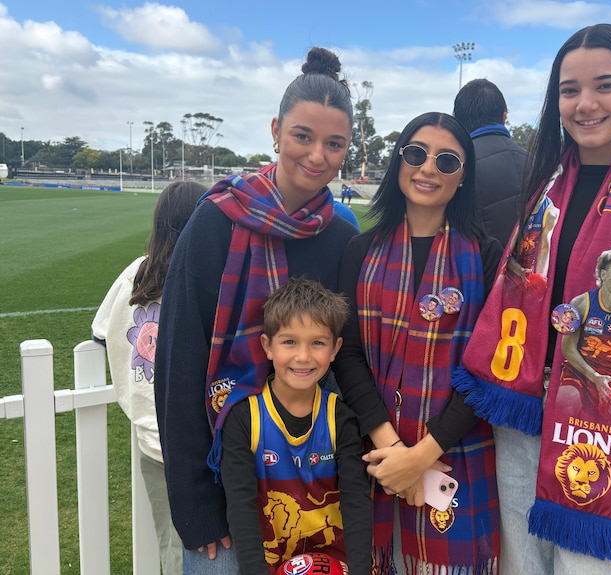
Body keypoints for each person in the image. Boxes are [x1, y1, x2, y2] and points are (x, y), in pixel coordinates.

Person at [452, 23, 611, 574]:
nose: (585, 104)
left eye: (605, 85)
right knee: (523, 566)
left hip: (604, 419)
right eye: (569, 90)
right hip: (523, 416)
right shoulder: (545, 182)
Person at [153, 47, 358, 574]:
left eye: (334, 144)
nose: (317, 156)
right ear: (275, 130)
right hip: (227, 488)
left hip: (316, 485)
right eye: (303, 137)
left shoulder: (342, 234)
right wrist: (196, 504)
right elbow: (180, 361)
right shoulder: (216, 222)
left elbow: (351, 359)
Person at [332, 112, 503, 574]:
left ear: (463, 178)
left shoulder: (487, 256)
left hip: (458, 456)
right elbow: (346, 354)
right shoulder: (360, 252)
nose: (428, 168)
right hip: (378, 457)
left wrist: (424, 456)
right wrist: (393, 451)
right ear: (399, 162)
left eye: (447, 160)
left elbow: (486, 369)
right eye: (416, 154)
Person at [92, 180, 207, 575]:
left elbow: (100, 331)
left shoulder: (134, 276)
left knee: (174, 543)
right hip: (203, 436)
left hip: (153, 436)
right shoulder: (207, 275)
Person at [220, 278, 371, 574]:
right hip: (269, 564)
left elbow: (356, 501)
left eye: (317, 343)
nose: (303, 356)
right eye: (290, 341)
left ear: (334, 349)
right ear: (268, 345)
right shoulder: (244, 418)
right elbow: (241, 506)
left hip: (335, 563)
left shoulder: (339, 417)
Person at [559, 247, 611, 416]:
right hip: (579, 374)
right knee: (566, 400)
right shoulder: (581, 304)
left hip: (609, 385)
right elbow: (567, 349)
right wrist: (594, 376)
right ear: (603, 274)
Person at [453, 78, 528, 248]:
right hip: (532, 271)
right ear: (504, 116)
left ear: (455, 119)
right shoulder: (540, 165)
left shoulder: (451, 168)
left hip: (474, 271)